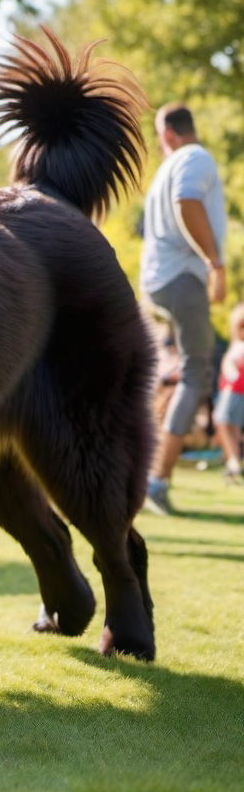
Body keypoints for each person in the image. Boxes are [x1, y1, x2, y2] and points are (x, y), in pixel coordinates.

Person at [140, 103, 228, 515]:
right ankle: (155, 481)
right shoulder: (194, 158)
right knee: (198, 374)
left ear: (167, 134)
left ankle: (144, 469)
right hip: (182, 279)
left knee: (174, 376)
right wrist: (215, 263)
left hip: (160, 282)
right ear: (176, 134)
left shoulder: (166, 167)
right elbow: (188, 201)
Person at [213, 303, 244, 485]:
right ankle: (233, 463)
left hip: (233, 391)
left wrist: (232, 376)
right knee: (232, 427)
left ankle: (233, 460)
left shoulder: (239, 346)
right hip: (234, 390)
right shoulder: (237, 345)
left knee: (222, 421)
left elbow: (230, 366)